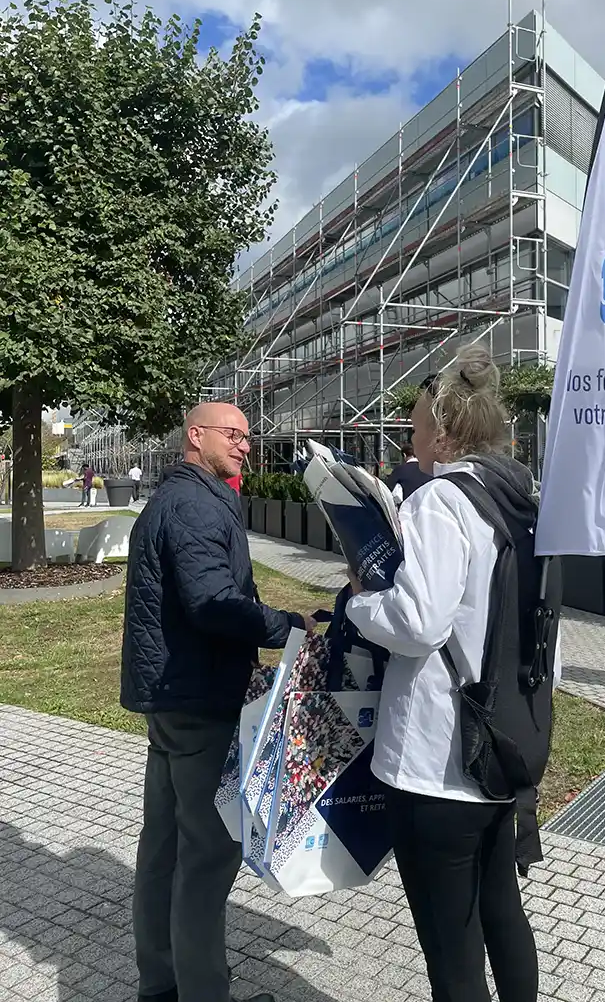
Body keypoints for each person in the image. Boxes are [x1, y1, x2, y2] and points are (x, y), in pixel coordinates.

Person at [346, 346, 549, 1002]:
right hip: (506, 743)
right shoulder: (523, 500)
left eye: (414, 425)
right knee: (502, 915)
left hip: (438, 759)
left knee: (453, 955)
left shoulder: (441, 501)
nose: (410, 437)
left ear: (445, 430)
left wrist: (358, 600)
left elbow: (418, 621)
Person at [121, 402, 316, 1002]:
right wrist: (290, 625)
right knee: (206, 857)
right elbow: (213, 602)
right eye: (232, 435)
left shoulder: (179, 499)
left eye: (248, 437)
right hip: (200, 700)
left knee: (164, 848)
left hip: (172, 698)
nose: (244, 445)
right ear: (195, 434)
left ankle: (160, 983)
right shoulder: (195, 505)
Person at [385, 441, 430, 505]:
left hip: (406, 508)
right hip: (425, 506)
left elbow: (387, 489)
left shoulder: (400, 470)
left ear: (404, 455)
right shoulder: (427, 469)